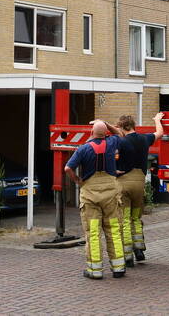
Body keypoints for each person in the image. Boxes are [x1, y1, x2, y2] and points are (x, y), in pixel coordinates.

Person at [64, 120, 127, 280]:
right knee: (113, 230)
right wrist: (105, 123)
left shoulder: (83, 149)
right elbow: (120, 133)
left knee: (93, 232)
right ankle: (118, 267)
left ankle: (95, 270)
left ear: (91, 133)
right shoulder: (112, 142)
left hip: (90, 194)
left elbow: (67, 168)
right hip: (110, 194)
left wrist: (78, 181)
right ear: (106, 133)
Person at [116, 112, 164, 264]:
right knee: (136, 217)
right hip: (139, 184)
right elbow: (160, 133)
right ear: (134, 125)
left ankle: (128, 256)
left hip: (124, 184)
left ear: (122, 127)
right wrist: (157, 120)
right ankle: (139, 250)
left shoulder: (121, 142)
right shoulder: (144, 139)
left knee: (124, 220)